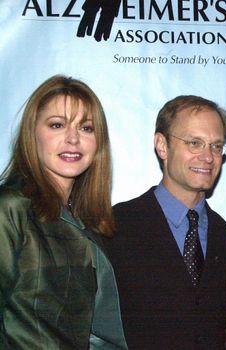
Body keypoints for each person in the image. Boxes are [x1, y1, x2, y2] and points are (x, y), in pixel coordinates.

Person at [0, 75, 127, 349]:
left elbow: (99, 334)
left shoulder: (89, 224)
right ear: (32, 133)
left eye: (86, 128)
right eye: (57, 125)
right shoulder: (10, 207)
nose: (73, 139)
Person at [104, 95, 226, 349]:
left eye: (216, 146)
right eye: (195, 143)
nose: (208, 157)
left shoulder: (225, 236)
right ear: (162, 145)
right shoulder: (115, 227)